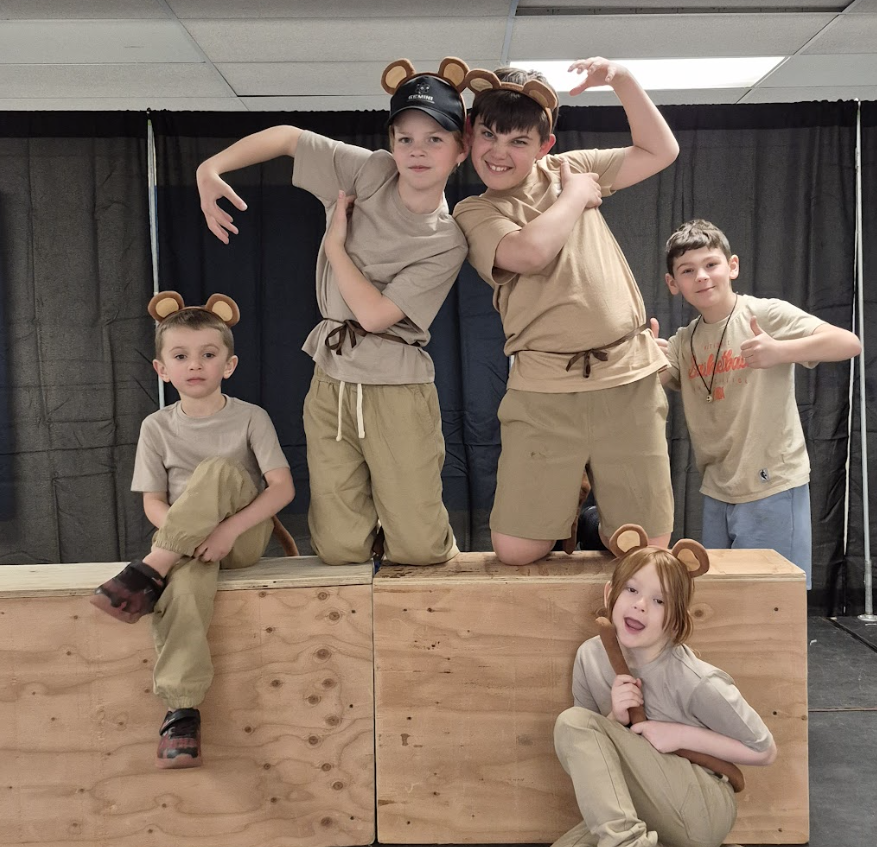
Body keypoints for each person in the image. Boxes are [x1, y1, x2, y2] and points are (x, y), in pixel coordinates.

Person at [195, 59, 471, 567]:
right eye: (405, 138)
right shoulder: (370, 170)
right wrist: (208, 167)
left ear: (461, 150)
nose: (417, 151)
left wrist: (336, 246)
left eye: (435, 139)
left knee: (419, 548)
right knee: (339, 549)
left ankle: (412, 552)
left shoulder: (446, 240)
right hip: (331, 379)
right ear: (391, 143)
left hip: (397, 389)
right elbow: (285, 137)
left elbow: (374, 316)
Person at [452, 58, 679, 566]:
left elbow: (661, 150)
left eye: (519, 141)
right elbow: (528, 254)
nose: (500, 152)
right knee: (515, 551)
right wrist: (576, 196)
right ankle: (578, 515)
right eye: (489, 135)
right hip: (544, 389)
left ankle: (598, 520)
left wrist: (621, 79)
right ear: (469, 138)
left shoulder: (569, 166)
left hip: (627, 379)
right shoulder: (475, 211)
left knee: (646, 550)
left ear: (544, 146)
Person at [535, 524, 777, 847]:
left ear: (676, 618)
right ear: (610, 595)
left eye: (659, 600)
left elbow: (764, 749)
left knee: (571, 721)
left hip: (699, 807)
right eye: (631, 590)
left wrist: (677, 733)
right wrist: (614, 714)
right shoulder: (592, 657)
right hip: (644, 819)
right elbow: (594, 760)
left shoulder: (694, 679)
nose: (640, 605)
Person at [91, 292, 295, 769]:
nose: (195, 364)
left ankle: (146, 573)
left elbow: (281, 489)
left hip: (240, 537)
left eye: (208, 354)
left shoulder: (250, 417)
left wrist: (226, 531)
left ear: (229, 363)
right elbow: (154, 503)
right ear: (162, 369)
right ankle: (181, 711)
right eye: (181, 356)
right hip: (184, 545)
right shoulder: (156, 426)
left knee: (219, 471)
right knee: (184, 586)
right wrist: (184, 542)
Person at [658, 219, 862, 586]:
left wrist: (780, 350)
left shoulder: (764, 314)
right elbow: (658, 375)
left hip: (771, 484)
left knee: (772, 598)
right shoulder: (683, 341)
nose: (702, 276)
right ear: (674, 284)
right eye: (688, 271)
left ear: (732, 266)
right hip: (718, 488)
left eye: (711, 265)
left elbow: (849, 343)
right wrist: (643, 355)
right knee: (726, 597)